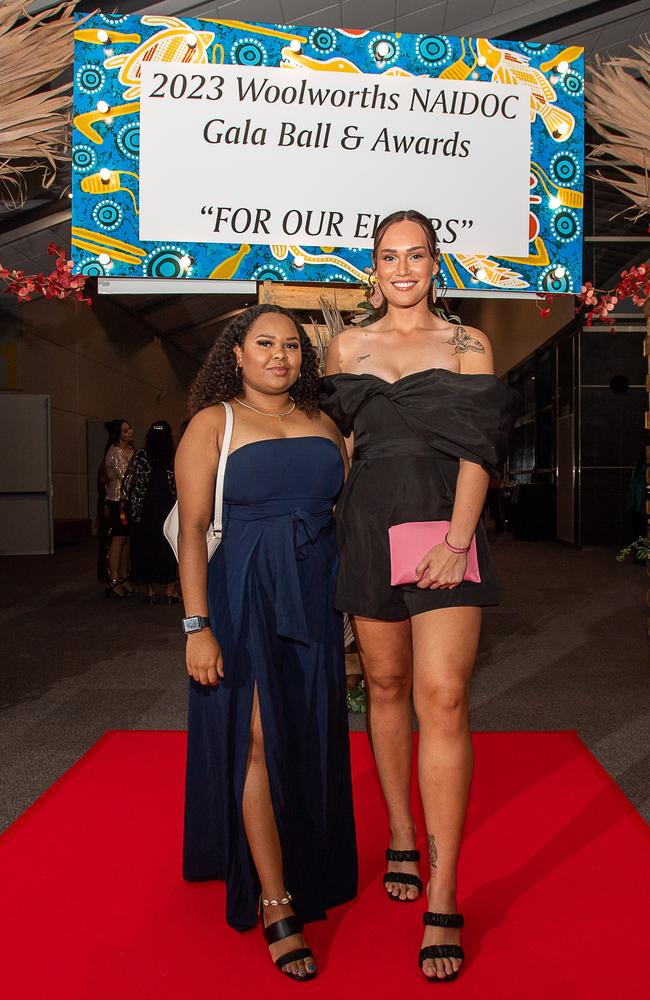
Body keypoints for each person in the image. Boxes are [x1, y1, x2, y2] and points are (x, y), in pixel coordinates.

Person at [320, 209, 520, 982]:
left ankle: (443, 892)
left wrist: (458, 540)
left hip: (446, 529)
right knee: (386, 686)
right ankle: (401, 831)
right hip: (368, 530)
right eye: (387, 257)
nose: (402, 268)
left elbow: (480, 449)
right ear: (373, 267)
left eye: (416, 255)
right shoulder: (348, 346)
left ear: (438, 263)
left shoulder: (469, 345)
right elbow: (339, 449)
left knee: (443, 695)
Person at [175, 304, 358, 981]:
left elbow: (343, 516)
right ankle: (275, 899)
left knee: (306, 732)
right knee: (256, 735)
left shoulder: (323, 423)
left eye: (291, 346)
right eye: (264, 344)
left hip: (314, 593)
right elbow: (192, 530)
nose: (279, 355)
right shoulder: (212, 423)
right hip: (244, 592)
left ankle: (307, 858)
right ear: (237, 354)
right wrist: (197, 627)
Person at [124, 421, 180, 604]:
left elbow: (129, 481)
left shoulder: (141, 455)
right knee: (169, 546)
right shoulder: (173, 455)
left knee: (145, 547)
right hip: (168, 506)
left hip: (145, 507)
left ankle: (150, 590)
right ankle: (170, 588)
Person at [103, 418, 135, 598]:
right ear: (117, 434)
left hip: (128, 500)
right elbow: (125, 475)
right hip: (117, 500)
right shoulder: (115, 452)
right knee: (119, 537)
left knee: (127, 539)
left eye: (129, 428)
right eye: (125, 430)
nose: (130, 432)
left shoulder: (130, 450)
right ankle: (114, 577)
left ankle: (123, 575)